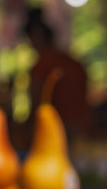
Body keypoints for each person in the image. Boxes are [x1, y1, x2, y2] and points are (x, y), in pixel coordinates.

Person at [27, 9, 92, 140]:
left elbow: (36, 99)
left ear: (37, 36)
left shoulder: (43, 65)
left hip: (58, 129)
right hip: (82, 127)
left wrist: (31, 127)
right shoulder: (73, 62)